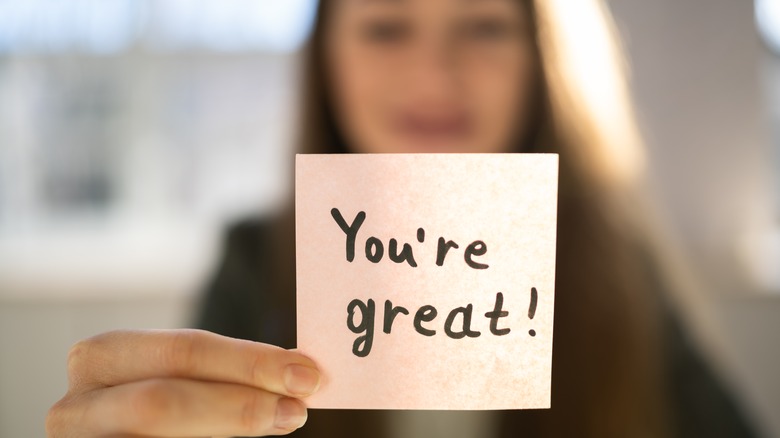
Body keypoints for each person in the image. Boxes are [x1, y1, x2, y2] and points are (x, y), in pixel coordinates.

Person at [46, 0, 757, 437]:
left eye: (483, 25)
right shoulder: (257, 263)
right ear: (326, 58)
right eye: (386, 26)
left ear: (546, 61)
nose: (435, 73)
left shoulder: (616, 271)